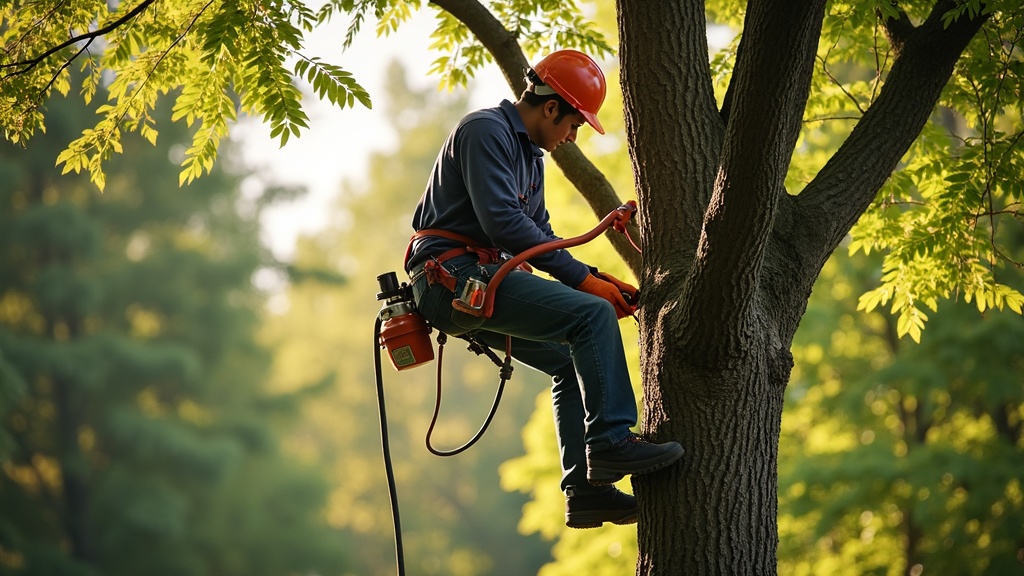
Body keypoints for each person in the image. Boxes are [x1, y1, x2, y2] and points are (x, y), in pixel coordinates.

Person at [403, 49, 684, 529]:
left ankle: (587, 492)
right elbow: (505, 223)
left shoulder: (532, 162)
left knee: (569, 358)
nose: (572, 137)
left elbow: (541, 234)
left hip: (481, 279)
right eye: (574, 125)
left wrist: (594, 277)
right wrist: (584, 286)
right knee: (589, 318)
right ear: (550, 107)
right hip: (450, 279)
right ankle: (611, 443)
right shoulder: (484, 131)